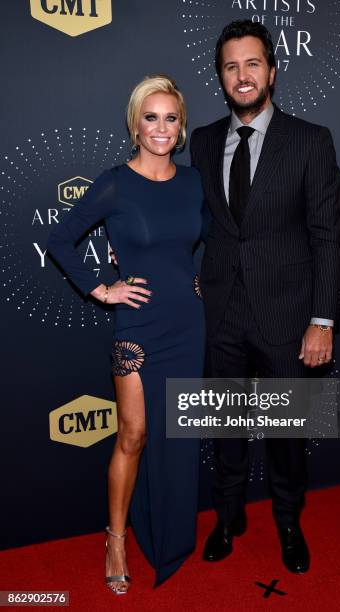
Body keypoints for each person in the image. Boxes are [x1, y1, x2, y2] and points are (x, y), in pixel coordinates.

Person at [189, 20, 340, 573]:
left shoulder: (310, 140)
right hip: (223, 313)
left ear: (272, 71)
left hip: (287, 315)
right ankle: (228, 517)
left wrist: (322, 320)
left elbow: (327, 236)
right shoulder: (203, 142)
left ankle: (287, 520)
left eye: (252, 63)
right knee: (225, 427)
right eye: (231, 66)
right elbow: (195, 218)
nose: (242, 75)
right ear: (221, 78)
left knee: (285, 434)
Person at [47, 75, 205, 593]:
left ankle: (174, 530)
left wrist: (207, 276)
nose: (161, 128)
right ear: (136, 124)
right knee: (133, 434)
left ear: (181, 127)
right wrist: (101, 288)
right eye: (151, 117)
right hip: (136, 324)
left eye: (171, 118)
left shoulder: (195, 183)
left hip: (187, 323)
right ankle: (116, 537)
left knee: (179, 435)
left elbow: (218, 240)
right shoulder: (114, 182)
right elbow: (60, 238)